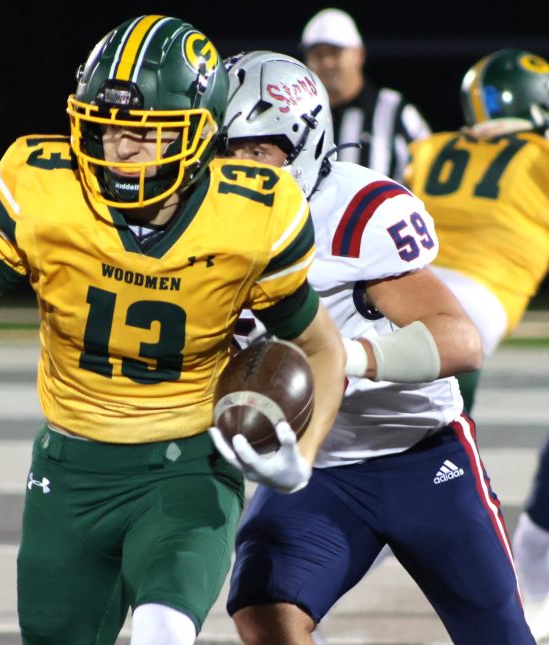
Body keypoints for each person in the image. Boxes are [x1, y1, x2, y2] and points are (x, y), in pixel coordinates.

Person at [0, 16, 346, 645]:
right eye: (105, 127)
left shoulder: (251, 214)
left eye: (144, 132)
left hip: (187, 468)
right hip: (68, 471)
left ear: (200, 132)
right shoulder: (48, 193)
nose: (119, 149)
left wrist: (304, 455)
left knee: (162, 631)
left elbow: (321, 345)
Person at [212, 50, 534, 644]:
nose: (239, 169)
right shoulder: (202, 224)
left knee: (501, 637)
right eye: (225, 151)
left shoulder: (354, 212)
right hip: (321, 472)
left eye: (258, 151)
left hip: (421, 454)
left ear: (304, 142)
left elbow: (460, 339)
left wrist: (342, 358)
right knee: (263, 611)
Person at [405, 48, 549, 640]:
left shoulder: (430, 148)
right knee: (431, 472)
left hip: (401, 292)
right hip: (470, 308)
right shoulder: (539, 156)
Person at [299, 7, 431, 183]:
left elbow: (429, 169)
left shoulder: (394, 110)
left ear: (358, 54)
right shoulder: (298, 112)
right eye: (317, 54)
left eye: (334, 53)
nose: (327, 62)